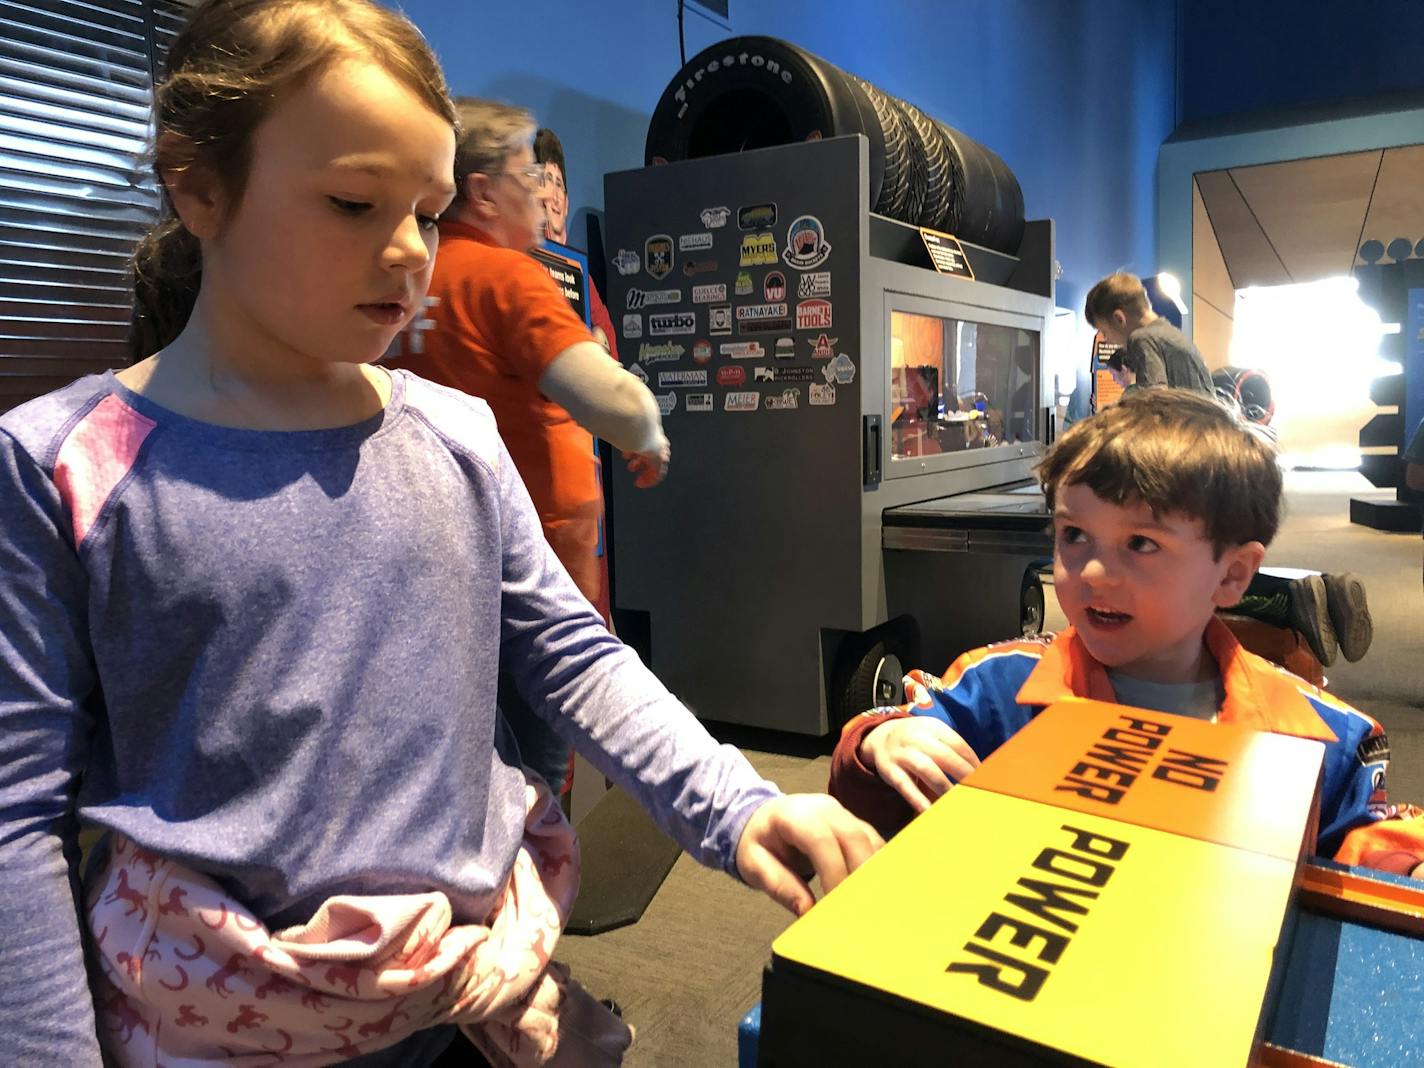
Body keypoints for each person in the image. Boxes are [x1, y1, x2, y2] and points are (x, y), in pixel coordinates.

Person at [0, 3, 883, 1063]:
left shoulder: (453, 434)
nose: (407, 251)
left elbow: (570, 656)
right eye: (352, 202)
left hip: (468, 998)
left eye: (426, 210)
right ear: (198, 184)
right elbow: (17, 815)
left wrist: (733, 805)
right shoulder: (62, 460)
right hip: (211, 1024)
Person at [828, 390, 1424, 880]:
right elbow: (885, 760)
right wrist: (880, 745)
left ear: (1233, 573)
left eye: (1141, 543)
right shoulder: (998, 684)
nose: (1090, 573)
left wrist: (1405, 859)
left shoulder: (1326, 736)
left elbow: (1371, 848)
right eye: (1073, 536)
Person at [388, 100, 667, 797]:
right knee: (536, 785)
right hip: (528, 570)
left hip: (427, 563)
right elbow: (616, 399)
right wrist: (647, 437)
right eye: (528, 175)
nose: (543, 192)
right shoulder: (509, 276)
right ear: (481, 192)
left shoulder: (409, 275)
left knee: (462, 770)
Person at [534, 125, 620, 361]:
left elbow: (607, 336)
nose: (553, 195)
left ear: (567, 200)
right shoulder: (528, 262)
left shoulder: (580, 274)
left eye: (558, 183)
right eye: (546, 181)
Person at [1085, 271, 1214, 395]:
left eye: (1105, 332)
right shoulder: (1168, 333)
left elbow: (1153, 400)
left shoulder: (1142, 338)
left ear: (1119, 319)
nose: (1107, 340)